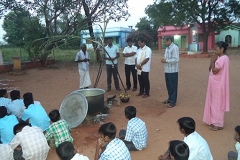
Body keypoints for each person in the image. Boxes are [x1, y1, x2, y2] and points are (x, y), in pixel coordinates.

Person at [203, 41, 230, 131]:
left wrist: (213, 61)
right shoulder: (219, 57)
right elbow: (210, 69)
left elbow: (215, 71)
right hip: (214, 84)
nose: (215, 50)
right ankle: (214, 121)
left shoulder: (223, 59)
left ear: (222, 49)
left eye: (216, 48)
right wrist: (212, 61)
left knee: (217, 103)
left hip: (218, 85)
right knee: (214, 102)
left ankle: (218, 124)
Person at [161, 36, 179, 108]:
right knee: (168, 85)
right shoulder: (167, 48)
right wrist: (164, 59)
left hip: (173, 70)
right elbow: (166, 57)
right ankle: (170, 98)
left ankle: (173, 101)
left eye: (165, 42)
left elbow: (176, 59)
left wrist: (166, 61)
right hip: (167, 70)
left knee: (173, 86)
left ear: (169, 41)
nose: (164, 43)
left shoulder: (174, 48)